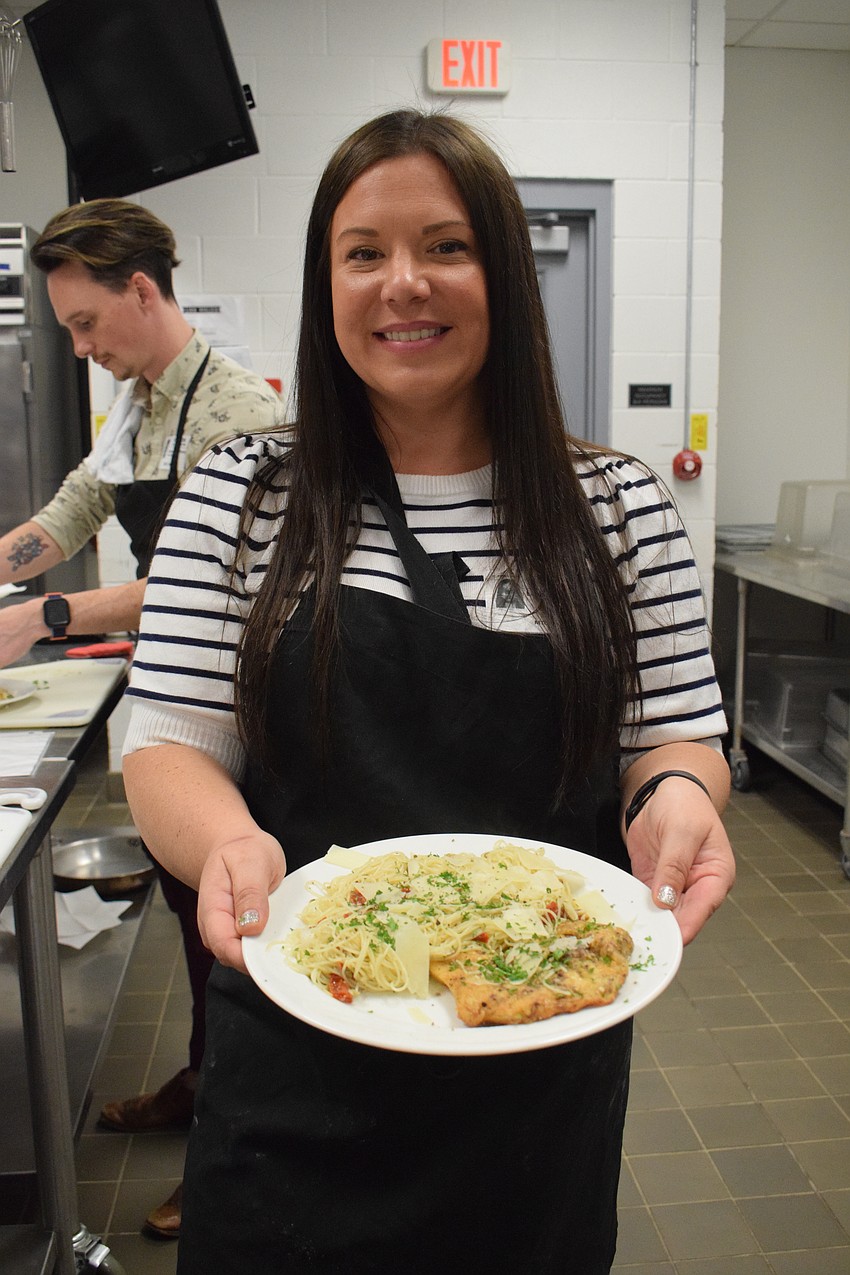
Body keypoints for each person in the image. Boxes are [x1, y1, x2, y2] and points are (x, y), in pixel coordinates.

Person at [121, 109, 735, 1274]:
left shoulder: (616, 507)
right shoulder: (241, 496)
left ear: (504, 274)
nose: (403, 283)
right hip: (299, 1050)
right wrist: (228, 844)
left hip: (539, 1060)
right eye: (363, 253)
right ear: (328, 286)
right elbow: (167, 742)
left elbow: (672, 735)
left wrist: (675, 799)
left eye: (446, 247)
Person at [0, 198, 281, 1239]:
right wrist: (2, 567)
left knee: (233, 938)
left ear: (142, 291)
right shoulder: (138, 403)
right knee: (187, 917)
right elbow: (74, 508)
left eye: (85, 324)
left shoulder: (235, 412)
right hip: (176, 695)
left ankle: (233, 1153)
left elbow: (207, 583)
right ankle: (201, 1083)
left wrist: (46, 615)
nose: (80, 347)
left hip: (242, 717)